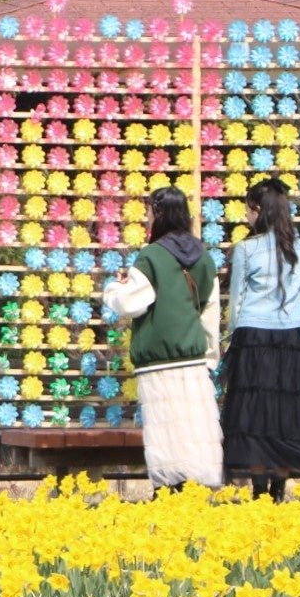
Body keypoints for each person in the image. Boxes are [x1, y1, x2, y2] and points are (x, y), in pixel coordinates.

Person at [103, 186, 224, 491]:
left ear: (158, 213)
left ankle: (168, 492)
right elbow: (210, 310)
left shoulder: (152, 256)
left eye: (148, 211)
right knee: (194, 429)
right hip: (194, 359)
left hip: (159, 360)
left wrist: (113, 289)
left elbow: (132, 303)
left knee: (165, 431)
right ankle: (195, 490)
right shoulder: (204, 258)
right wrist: (210, 356)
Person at [221, 177, 300, 500]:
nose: (246, 217)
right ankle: (279, 487)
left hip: (253, 336)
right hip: (289, 338)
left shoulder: (246, 248)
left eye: (248, 210)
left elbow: (238, 300)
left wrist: (229, 339)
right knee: (285, 412)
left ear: (258, 210)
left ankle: (258, 488)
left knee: (253, 413)